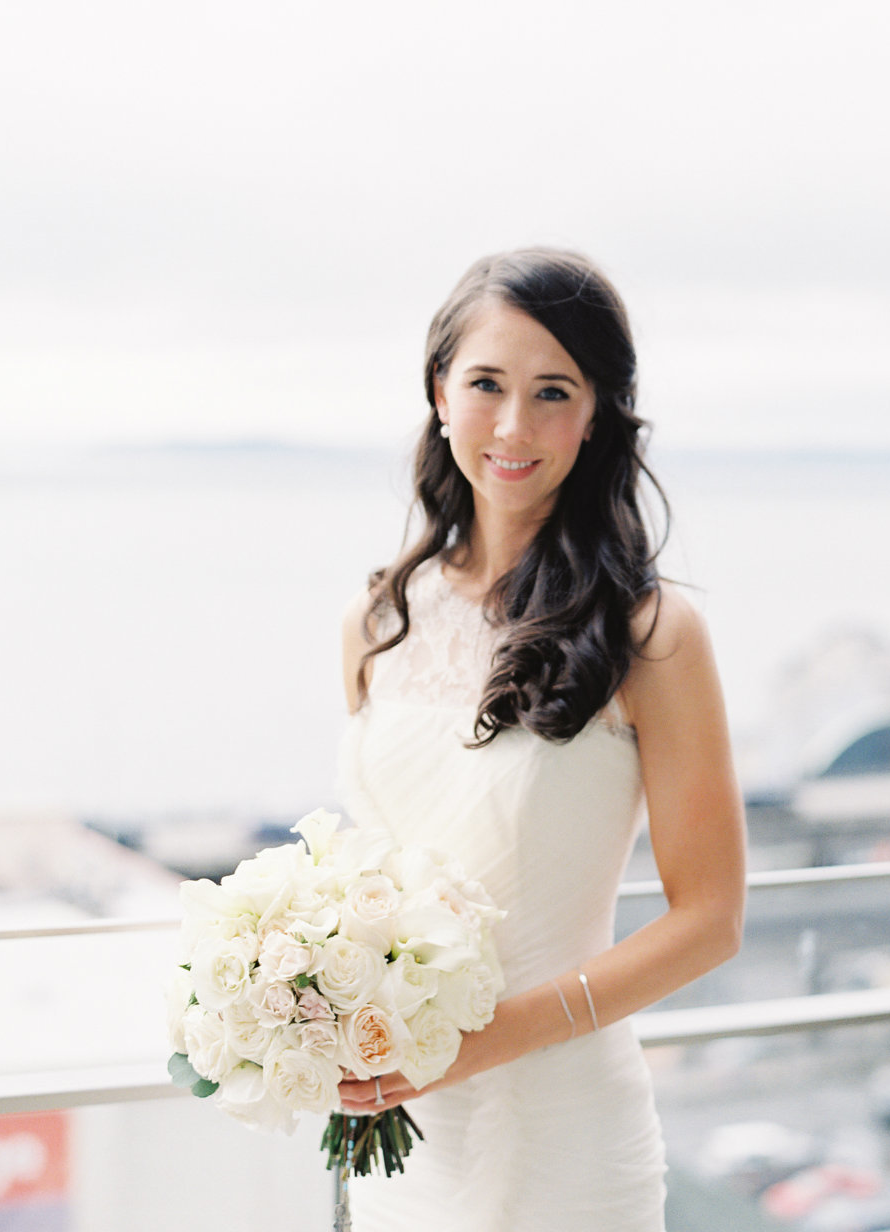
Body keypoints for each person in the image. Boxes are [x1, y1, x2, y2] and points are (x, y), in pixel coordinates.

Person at [336, 247, 746, 1231]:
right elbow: (365, 878)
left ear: (598, 412)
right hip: (408, 1132)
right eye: (486, 383)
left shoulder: (653, 636)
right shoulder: (377, 619)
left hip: (567, 1135)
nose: (514, 426)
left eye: (553, 391)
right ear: (440, 391)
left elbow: (713, 917)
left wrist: (489, 1038)